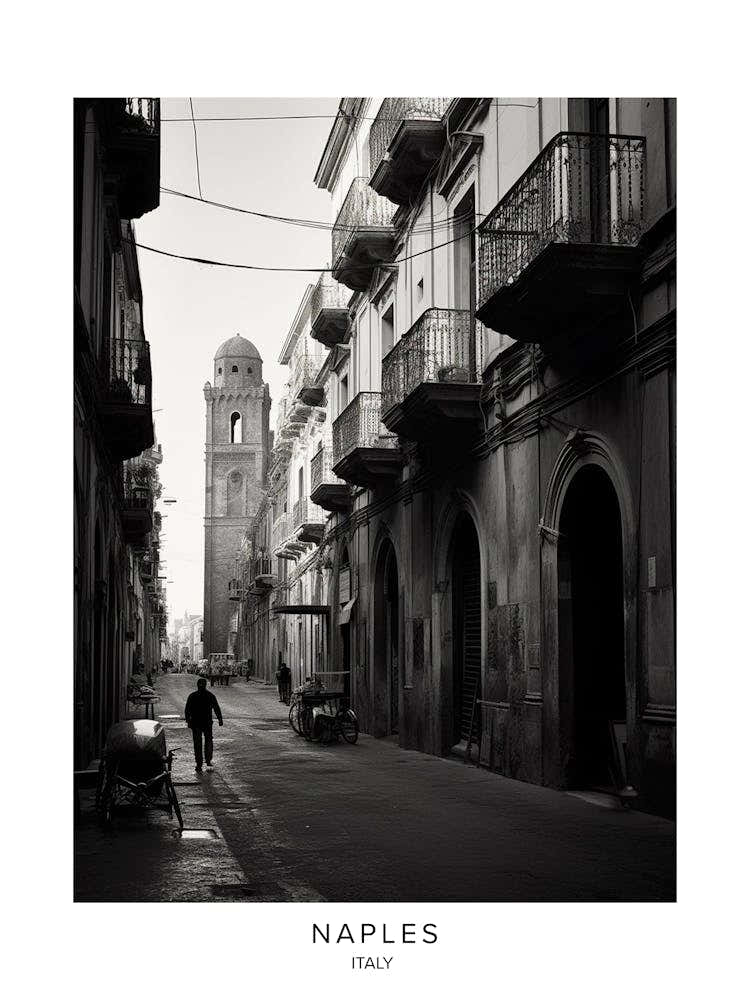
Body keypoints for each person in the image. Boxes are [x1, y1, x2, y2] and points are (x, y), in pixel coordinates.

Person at [184, 677, 223, 773]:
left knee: (198, 743)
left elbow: (187, 710)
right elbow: (216, 708)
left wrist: (188, 721)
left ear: (197, 685)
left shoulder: (192, 696)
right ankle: (208, 760)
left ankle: (199, 763)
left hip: (196, 723)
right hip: (206, 723)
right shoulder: (210, 695)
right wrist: (220, 719)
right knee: (208, 741)